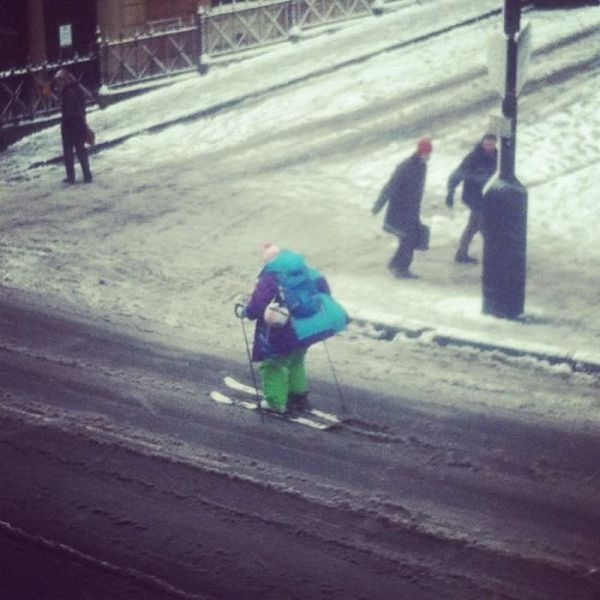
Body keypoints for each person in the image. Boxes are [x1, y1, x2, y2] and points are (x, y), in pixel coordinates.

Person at [241, 243, 347, 414]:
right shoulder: (305, 270)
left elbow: (257, 306)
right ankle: (298, 397)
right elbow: (324, 289)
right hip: (305, 328)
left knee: (273, 364)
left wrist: (246, 311)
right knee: (296, 360)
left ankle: (275, 402)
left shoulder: (270, 276)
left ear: (268, 261)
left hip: (281, 329)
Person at [372, 137, 432, 279]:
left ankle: (397, 264)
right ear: (420, 152)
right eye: (426, 153)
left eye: (429, 153)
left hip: (412, 210)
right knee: (408, 239)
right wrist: (378, 205)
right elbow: (390, 186)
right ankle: (400, 267)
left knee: (411, 238)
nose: (428, 156)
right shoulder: (405, 167)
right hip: (400, 209)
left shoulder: (422, 166)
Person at [445, 134, 498, 264]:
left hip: (485, 196)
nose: (488, 147)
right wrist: (450, 192)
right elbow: (457, 174)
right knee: (484, 225)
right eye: (486, 144)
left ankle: (461, 253)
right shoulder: (474, 157)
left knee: (473, 225)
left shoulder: (497, 156)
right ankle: (494, 255)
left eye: (491, 144)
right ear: (482, 143)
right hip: (473, 196)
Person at [53, 69, 93, 184]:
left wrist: (65, 122)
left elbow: (69, 112)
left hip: (71, 126)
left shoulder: (68, 92)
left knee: (69, 153)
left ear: (65, 80)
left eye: (60, 81)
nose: (58, 84)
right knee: (81, 151)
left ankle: (71, 177)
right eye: (57, 81)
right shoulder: (76, 89)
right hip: (78, 124)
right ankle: (87, 175)